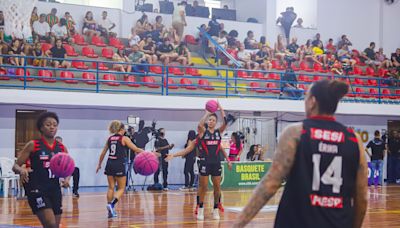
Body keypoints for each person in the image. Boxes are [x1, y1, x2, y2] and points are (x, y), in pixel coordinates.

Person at [233, 79, 368, 228]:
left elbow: (270, 183)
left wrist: (238, 224)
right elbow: (362, 197)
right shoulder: (354, 139)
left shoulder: (297, 133)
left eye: (305, 96)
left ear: (312, 101)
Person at [167, 103, 232, 220]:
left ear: (216, 122)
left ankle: (216, 208)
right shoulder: (202, 133)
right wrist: (207, 113)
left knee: (217, 187)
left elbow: (225, 124)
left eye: (213, 120)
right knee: (204, 187)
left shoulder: (218, 133)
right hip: (204, 163)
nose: (210, 121)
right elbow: (187, 149)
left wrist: (221, 109)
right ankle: (200, 208)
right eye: (209, 120)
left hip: (216, 162)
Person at [13, 112, 69, 228]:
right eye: (48, 124)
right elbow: (15, 166)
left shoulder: (62, 147)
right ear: (41, 128)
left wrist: (67, 179)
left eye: (54, 124)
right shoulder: (33, 145)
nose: (52, 127)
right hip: (37, 188)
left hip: (55, 189)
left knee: (55, 225)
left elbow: (69, 167)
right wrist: (22, 170)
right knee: (50, 223)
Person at [96, 120, 143, 218]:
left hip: (109, 163)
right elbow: (136, 149)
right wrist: (148, 153)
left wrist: (99, 164)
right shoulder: (124, 138)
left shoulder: (110, 139)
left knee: (110, 188)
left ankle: (110, 211)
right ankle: (111, 205)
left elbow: (103, 153)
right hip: (119, 164)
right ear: (122, 129)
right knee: (122, 188)